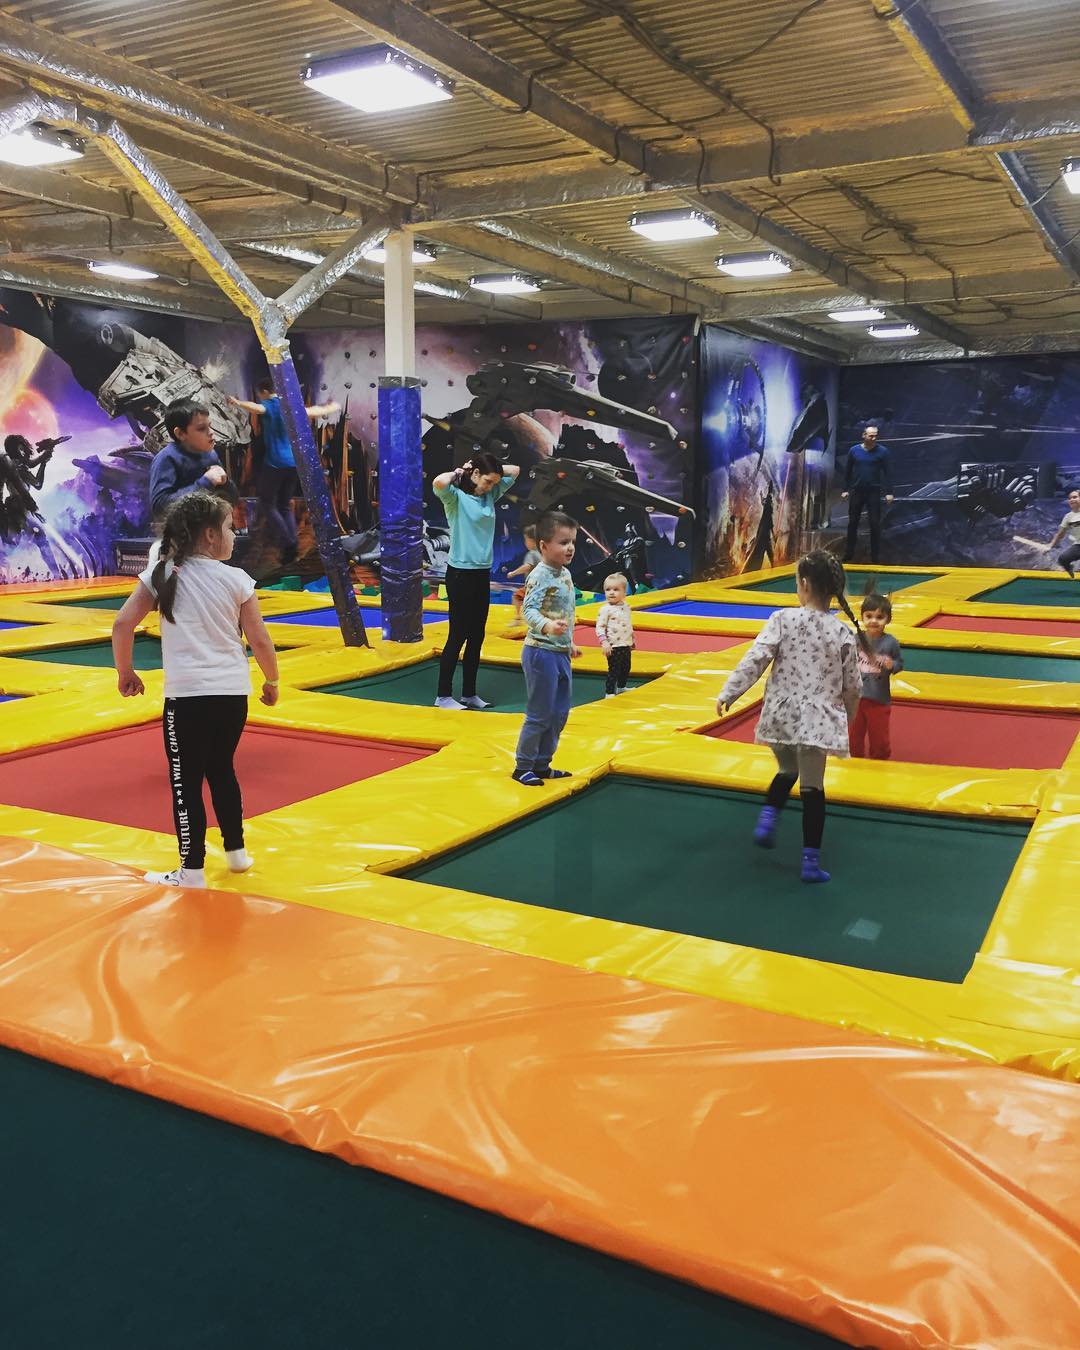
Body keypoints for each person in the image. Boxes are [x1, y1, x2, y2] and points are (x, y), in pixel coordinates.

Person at [111, 490, 280, 889]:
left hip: (188, 699)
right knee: (222, 769)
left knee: (186, 782)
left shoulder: (163, 574)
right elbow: (259, 640)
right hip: (232, 696)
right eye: (230, 528)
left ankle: (192, 870)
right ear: (209, 535)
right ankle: (236, 854)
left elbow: (122, 624)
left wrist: (126, 672)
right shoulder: (237, 579)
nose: (235, 534)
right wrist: (271, 680)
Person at [717, 551, 863, 883]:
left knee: (787, 769)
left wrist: (730, 692)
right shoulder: (841, 633)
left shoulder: (782, 619)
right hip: (816, 720)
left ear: (805, 584)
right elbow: (853, 686)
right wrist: (849, 717)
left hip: (781, 712)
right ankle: (810, 863)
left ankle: (769, 817)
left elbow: (756, 658)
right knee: (812, 788)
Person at [432, 452, 521, 710]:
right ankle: (443, 696)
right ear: (475, 474)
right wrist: (461, 471)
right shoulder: (455, 498)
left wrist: (488, 470)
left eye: (494, 483)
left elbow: (515, 469)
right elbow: (439, 482)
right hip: (460, 574)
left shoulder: (490, 495)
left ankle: (469, 694)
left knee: (477, 635)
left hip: (482, 573)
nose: (490, 487)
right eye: (487, 481)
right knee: (458, 634)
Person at [230, 378, 339, 563]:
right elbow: (313, 411)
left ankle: (288, 542)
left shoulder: (270, 405)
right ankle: (292, 542)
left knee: (267, 502)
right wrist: (331, 407)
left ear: (265, 392)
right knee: (284, 505)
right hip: (293, 463)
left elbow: (257, 408)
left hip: (275, 463)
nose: (260, 397)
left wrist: (238, 402)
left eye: (260, 394)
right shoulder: (290, 407)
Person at [514, 512, 581, 786]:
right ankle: (523, 766)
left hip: (559, 652)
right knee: (540, 713)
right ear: (543, 545)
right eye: (563, 542)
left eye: (573, 542)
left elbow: (564, 611)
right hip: (540, 652)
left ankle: (542, 764)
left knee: (559, 713)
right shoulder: (540, 575)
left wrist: (568, 642)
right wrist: (547, 626)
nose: (570, 548)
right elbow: (529, 610)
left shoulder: (564, 573)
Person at [149, 398, 227, 519]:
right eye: (201, 428)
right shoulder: (166, 458)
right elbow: (160, 507)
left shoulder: (210, 454)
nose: (211, 432)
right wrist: (206, 482)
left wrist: (227, 484)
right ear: (180, 434)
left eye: (210, 426)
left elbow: (226, 496)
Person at [849, 590, 904, 760]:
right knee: (853, 736)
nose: (873, 621)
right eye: (869, 616)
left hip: (878, 699)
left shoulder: (890, 643)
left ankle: (879, 763)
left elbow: (899, 663)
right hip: (855, 698)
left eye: (879, 617)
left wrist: (892, 665)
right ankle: (854, 760)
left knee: (879, 738)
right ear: (862, 617)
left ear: (888, 619)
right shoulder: (856, 639)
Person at [841, 425, 894, 564]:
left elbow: (888, 473)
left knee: (874, 524)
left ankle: (875, 557)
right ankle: (849, 553)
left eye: (876, 435)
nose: (874, 438)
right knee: (853, 522)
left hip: (873, 492)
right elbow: (848, 471)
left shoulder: (883, 452)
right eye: (871, 436)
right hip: (857, 491)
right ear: (864, 435)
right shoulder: (854, 450)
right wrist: (845, 489)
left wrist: (889, 492)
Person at [596, 571, 634, 697]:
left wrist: (632, 639)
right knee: (614, 669)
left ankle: (621, 687)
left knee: (626, 667)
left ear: (624, 592)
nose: (611, 592)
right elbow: (600, 627)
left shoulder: (626, 606)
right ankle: (609, 692)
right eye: (608, 589)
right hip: (613, 645)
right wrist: (604, 642)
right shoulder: (605, 609)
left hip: (625, 643)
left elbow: (627, 623)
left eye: (616, 589)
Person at [505, 523, 540, 627]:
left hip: (533, 586)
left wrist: (513, 573)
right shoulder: (543, 553)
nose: (525, 543)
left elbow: (527, 566)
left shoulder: (532, 554)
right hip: (542, 585)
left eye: (526, 540)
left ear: (532, 541)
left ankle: (517, 619)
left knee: (516, 597)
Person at [1047, 488, 1080, 578]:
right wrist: (1050, 545)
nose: (1072, 499)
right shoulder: (1068, 517)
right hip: (1078, 545)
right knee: (1063, 559)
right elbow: (1060, 534)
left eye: (1075, 497)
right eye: (1070, 498)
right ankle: (1070, 569)